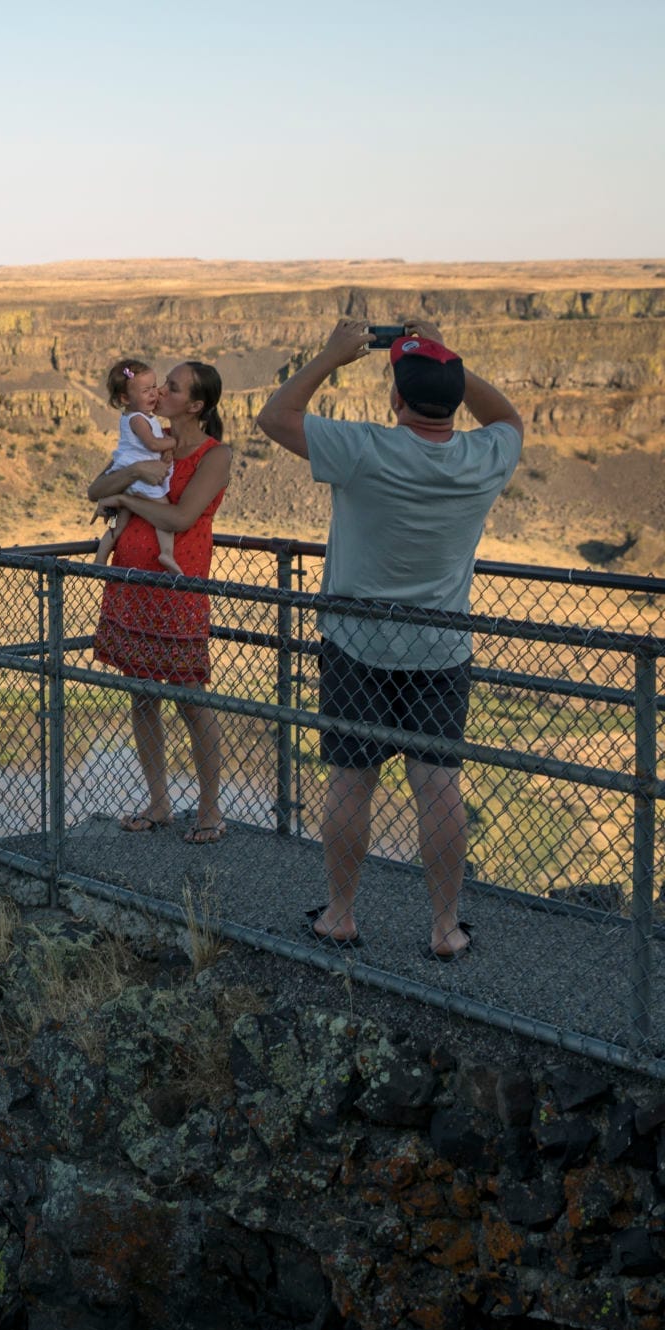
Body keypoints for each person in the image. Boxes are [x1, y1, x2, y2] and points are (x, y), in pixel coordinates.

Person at [254, 319, 524, 962]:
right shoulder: (484, 458)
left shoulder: (364, 449)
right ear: (453, 400)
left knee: (351, 780)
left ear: (395, 402)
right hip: (441, 651)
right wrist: (444, 358)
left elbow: (274, 415)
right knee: (436, 784)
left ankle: (341, 915)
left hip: (356, 645)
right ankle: (445, 928)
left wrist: (330, 355)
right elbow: (507, 415)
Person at [87, 361, 234, 845]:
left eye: (171, 388)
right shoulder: (146, 436)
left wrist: (128, 500)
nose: (160, 393)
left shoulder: (215, 455)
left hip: (179, 586)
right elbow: (96, 489)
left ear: (195, 405)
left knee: (192, 698)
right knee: (143, 694)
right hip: (132, 582)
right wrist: (132, 474)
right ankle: (159, 802)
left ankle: (210, 811)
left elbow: (182, 515)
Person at [93, 359, 181, 574]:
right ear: (125, 398)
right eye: (145, 390)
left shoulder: (135, 417)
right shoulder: (138, 419)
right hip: (142, 479)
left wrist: (165, 450)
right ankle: (167, 553)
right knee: (165, 514)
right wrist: (174, 442)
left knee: (117, 523)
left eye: (154, 387)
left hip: (129, 477)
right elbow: (152, 443)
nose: (153, 394)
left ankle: (100, 557)